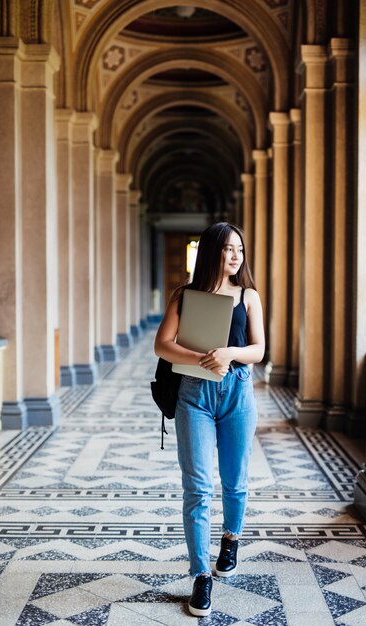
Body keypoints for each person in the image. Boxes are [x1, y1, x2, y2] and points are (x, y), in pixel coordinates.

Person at [154, 222, 265, 617]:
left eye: (239, 249)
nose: (235, 256)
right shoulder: (185, 295)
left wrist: (229, 354)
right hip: (194, 396)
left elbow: (259, 348)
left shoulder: (248, 296)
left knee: (235, 480)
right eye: (228, 249)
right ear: (211, 252)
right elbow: (162, 344)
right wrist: (201, 359)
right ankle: (201, 573)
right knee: (198, 487)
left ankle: (231, 537)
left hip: (237, 392)